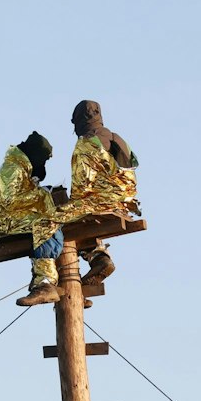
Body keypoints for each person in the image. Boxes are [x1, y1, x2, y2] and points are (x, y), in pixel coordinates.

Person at [0, 131, 67, 307]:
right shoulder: (12, 168)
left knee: (58, 219)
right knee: (44, 224)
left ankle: (57, 277)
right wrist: (43, 194)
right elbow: (11, 200)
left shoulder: (23, 169)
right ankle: (44, 282)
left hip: (12, 216)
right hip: (0, 221)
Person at [63, 99, 137, 285]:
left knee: (54, 219)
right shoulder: (115, 138)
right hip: (124, 201)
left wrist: (68, 204)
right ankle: (98, 259)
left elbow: (81, 185)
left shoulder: (86, 144)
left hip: (100, 200)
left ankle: (50, 280)